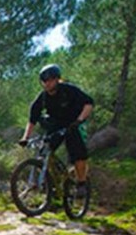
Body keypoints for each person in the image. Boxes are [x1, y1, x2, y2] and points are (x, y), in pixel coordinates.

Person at [19, 64, 94, 196]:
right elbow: (32, 119)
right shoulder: (42, 98)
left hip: (73, 124)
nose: (47, 83)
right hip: (56, 125)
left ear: (57, 79)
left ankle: (81, 183)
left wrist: (80, 120)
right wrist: (25, 138)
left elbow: (89, 103)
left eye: (50, 80)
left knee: (78, 153)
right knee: (43, 151)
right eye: (44, 81)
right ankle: (46, 181)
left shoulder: (69, 90)